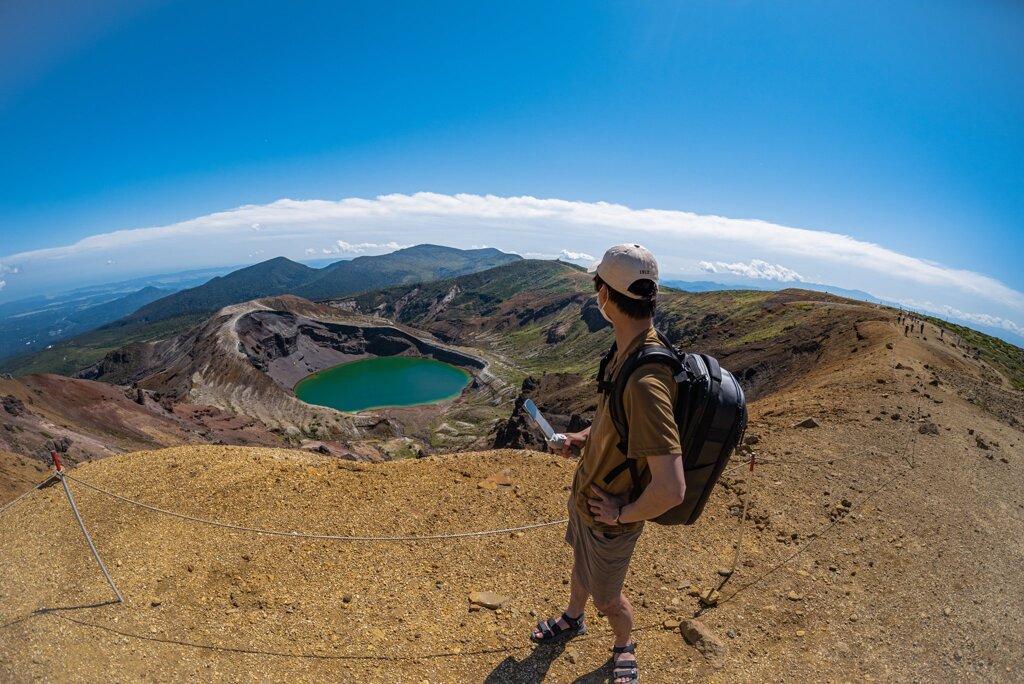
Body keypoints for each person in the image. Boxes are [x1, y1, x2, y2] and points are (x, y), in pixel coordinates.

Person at [529, 244, 685, 684]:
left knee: (608, 597)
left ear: (606, 297)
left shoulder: (646, 380)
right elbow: (612, 425)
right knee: (581, 564)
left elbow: (672, 489)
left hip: (610, 518)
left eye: (598, 286)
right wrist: (578, 441)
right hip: (588, 498)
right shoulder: (625, 353)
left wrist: (620, 512)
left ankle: (623, 645)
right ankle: (572, 619)